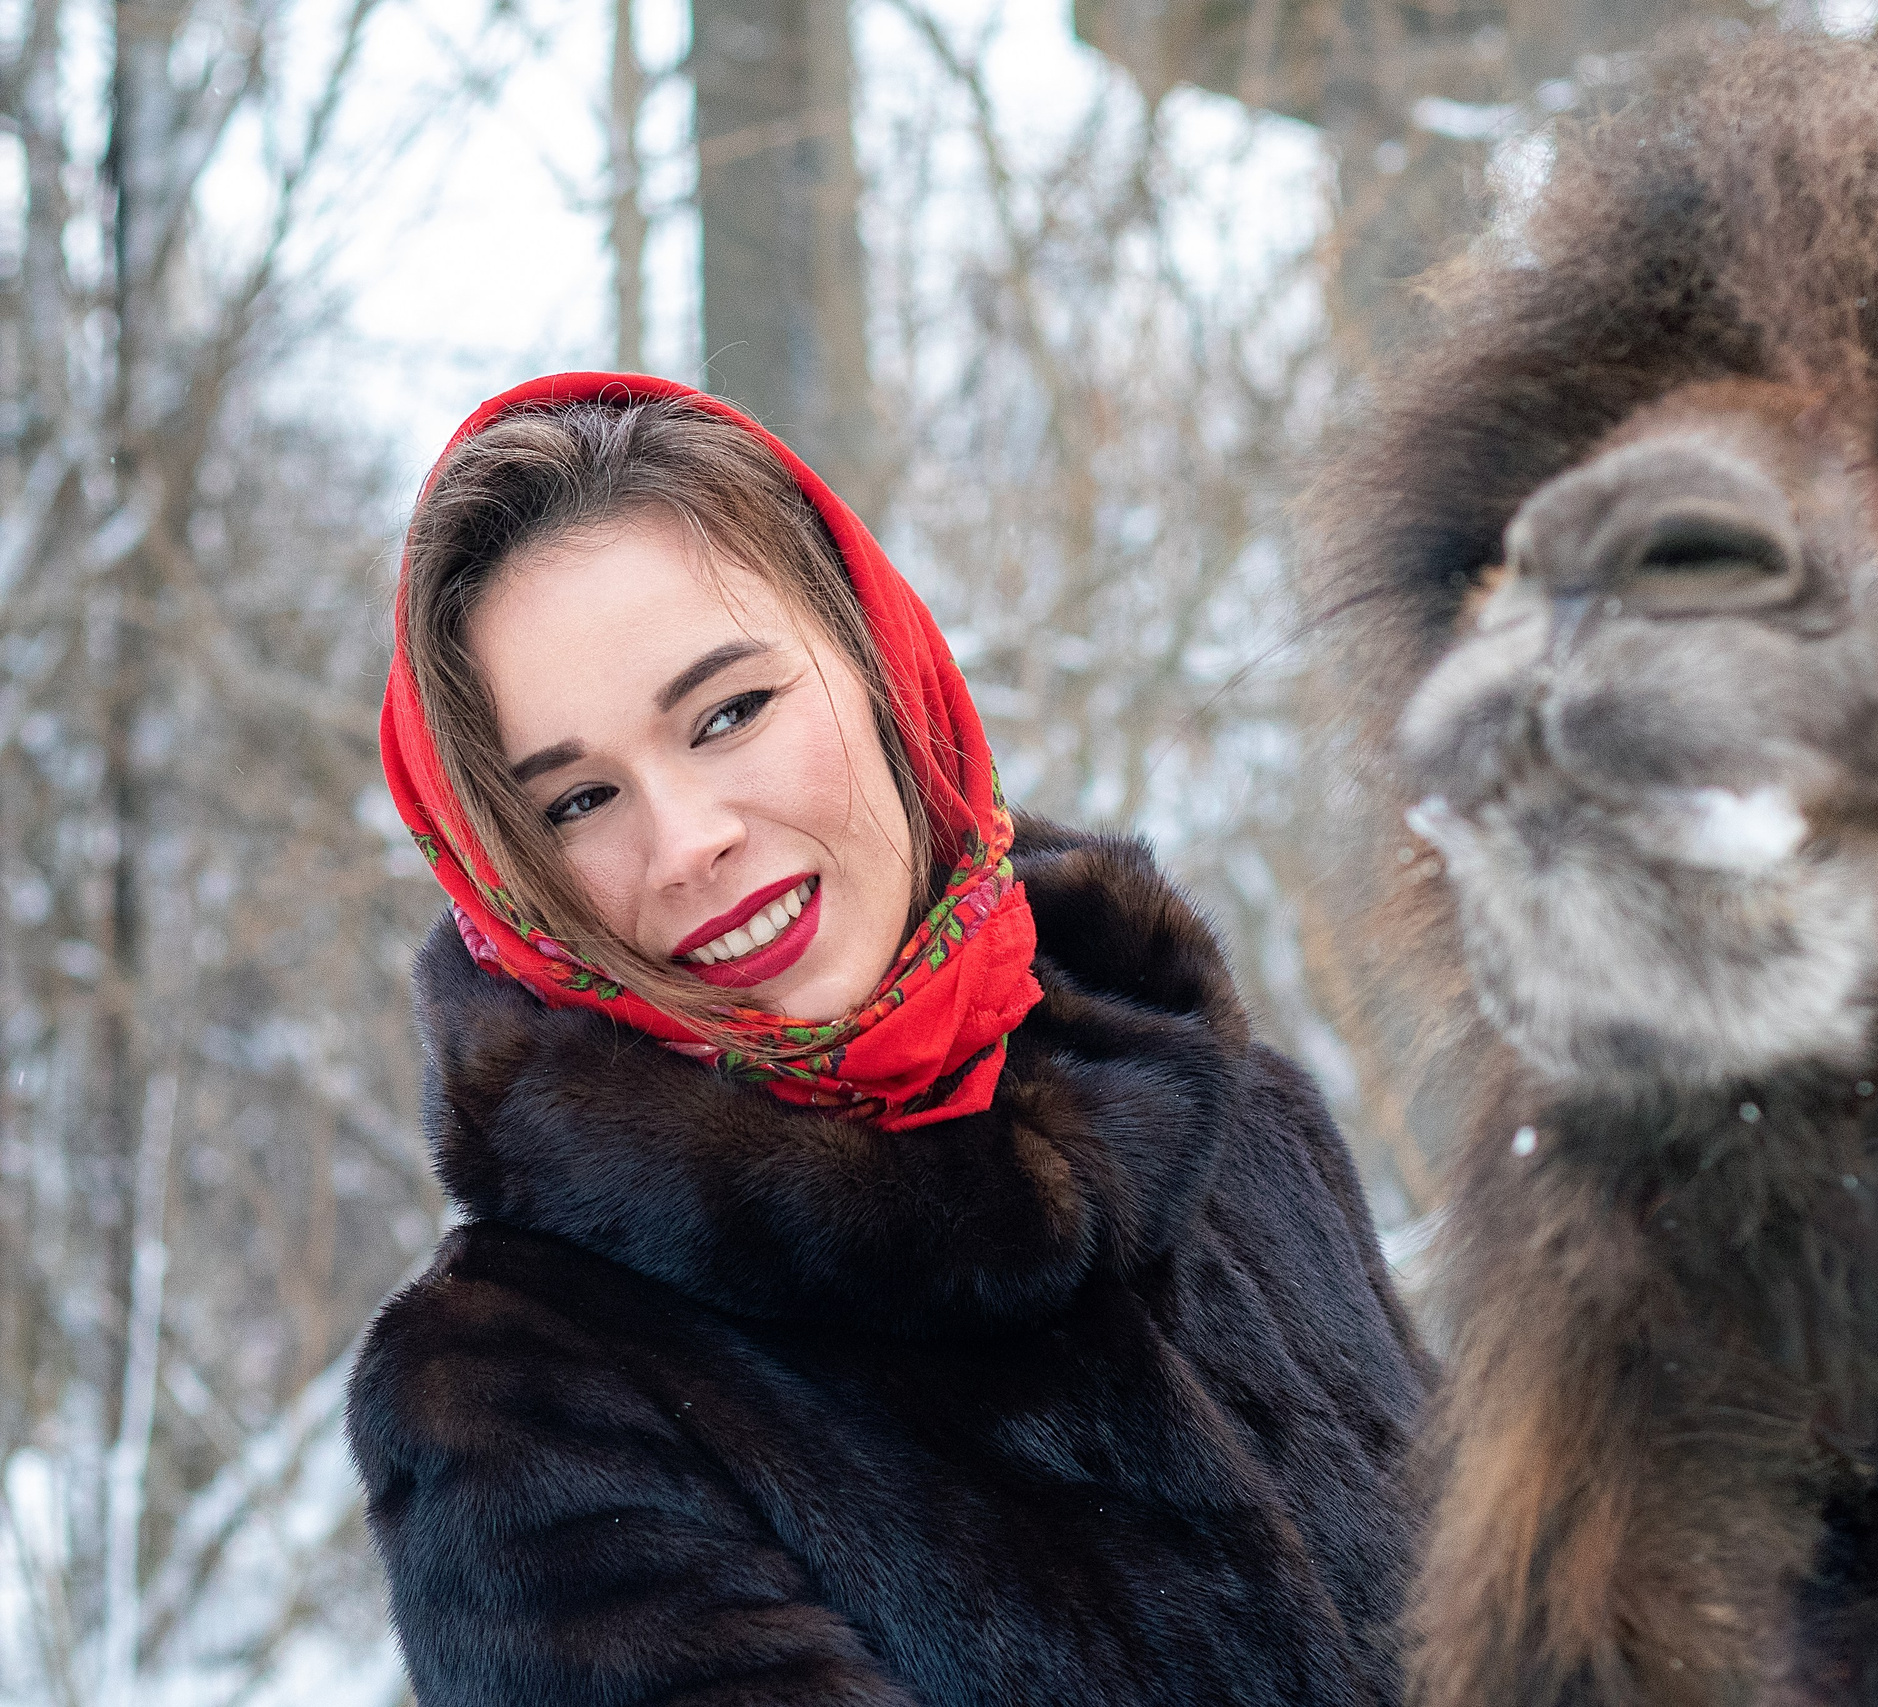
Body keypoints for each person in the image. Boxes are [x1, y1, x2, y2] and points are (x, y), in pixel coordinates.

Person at [348, 371, 1429, 1706]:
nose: (687, 842)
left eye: (730, 712)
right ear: (511, 886)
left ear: (874, 662)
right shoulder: (516, 1391)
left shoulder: (1237, 1123)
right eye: (576, 801)